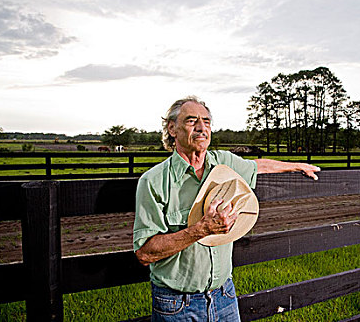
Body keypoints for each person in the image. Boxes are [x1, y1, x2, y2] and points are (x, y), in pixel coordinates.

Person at [133, 96, 320, 321]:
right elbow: (145, 253)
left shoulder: (224, 163)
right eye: (192, 121)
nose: (202, 128)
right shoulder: (153, 181)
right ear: (172, 129)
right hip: (177, 305)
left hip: (224, 297)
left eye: (207, 122)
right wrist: (201, 229)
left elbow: (257, 166)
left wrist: (296, 166)